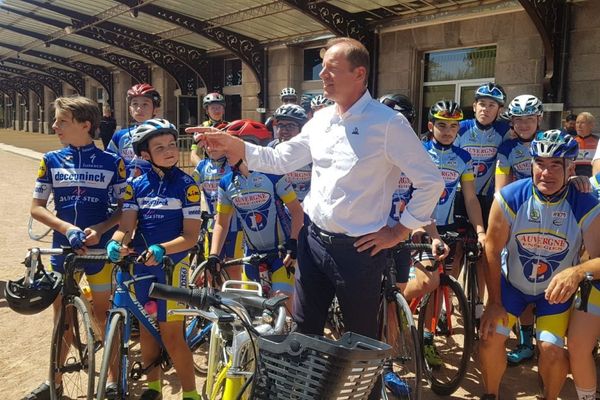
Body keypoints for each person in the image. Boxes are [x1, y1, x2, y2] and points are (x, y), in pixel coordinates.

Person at [191, 37, 443, 348]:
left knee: (359, 343)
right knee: (304, 333)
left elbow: (431, 181)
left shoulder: (388, 123)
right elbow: (281, 159)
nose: (322, 75)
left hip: (359, 252)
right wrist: (237, 146)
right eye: (322, 68)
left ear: (359, 74)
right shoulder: (321, 119)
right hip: (312, 242)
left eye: (332, 69)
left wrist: (399, 231)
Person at [479, 130, 600, 400]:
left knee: (554, 352)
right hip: (512, 288)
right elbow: (491, 248)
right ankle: (490, 395)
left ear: (571, 167)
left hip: (553, 295)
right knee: (489, 337)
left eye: (556, 164)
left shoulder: (585, 202)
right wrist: (493, 302)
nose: (546, 172)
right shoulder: (510, 197)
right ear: (531, 164)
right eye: (540, 164)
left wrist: (578, 271)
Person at [25, 96, 127, 400]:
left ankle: (111, 380)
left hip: (99, 250)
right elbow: (36, 208)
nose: (54, 126)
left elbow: (124, 210)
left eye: (62, 121)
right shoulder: (51, 160)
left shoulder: (113, 162)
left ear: (86, 125)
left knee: (103, 315)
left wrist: (101, 230)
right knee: (63, 320)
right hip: (64, 249)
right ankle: (53, 379)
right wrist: (67, 229)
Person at [106, 119, 201, 400]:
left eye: (172, 145)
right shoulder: (135, 186)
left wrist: (162, 248)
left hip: (173, 266)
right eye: (160, 147)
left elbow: (191, 237)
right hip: (141, 265)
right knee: (147, 330)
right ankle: (154, 388)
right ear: (144, 154)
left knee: (172, 335)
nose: (169, 151)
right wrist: (115, 243)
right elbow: (125, 228)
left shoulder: (187, 185)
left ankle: (191, 394)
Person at [406, 100, 484, 367]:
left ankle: (426, 333)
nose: (448, 131)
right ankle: (399, 312)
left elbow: (471, 199)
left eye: (454, 126)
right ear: (431, 126)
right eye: (442, 125)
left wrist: (481, 231)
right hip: (418, 223)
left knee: (442, 284)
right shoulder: (417, 152)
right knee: (428, 281)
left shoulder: (464, 158)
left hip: (447, 227)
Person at [207, 121, 305, 307]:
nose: (226, 152)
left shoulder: (274, 175)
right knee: (254, 312)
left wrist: (293, 242)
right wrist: (213, 255)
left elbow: (296, 211)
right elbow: (221, 223)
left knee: (282, 307)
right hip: (251, 255)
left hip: (281, 253)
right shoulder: (226, 183)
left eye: (230, 147)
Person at [495, 94, 544, 365]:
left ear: (539, 119)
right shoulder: (507, 148)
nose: (523, 124)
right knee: (522, 278)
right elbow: (501, 189)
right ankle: (526, 343)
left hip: (553, 217)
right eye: (518, 119)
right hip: (521, 219)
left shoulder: (551, 140)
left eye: (529, 119)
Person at [107, 83, 161, 179]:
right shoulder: (119, 136)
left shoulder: (162, 134)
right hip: (124, 188)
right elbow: (109, 162)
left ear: (156, 110)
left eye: (145, 104)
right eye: (135, 104)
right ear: (130, 110)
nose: (139, 109)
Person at [189, 92, 228, 167]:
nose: (216, 111)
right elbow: (194, 154)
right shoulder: (201, 128)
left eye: (219, 107)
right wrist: (201, 170)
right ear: (207, 111)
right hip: (210, 167)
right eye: (213, 108)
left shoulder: (230, 126)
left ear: (223, 110)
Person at [573, 112, 598, 177]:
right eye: (577, 122)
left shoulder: (598, 141)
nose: (579, 126)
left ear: (591, 125)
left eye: (582, 123)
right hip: (575, 177)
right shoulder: (571, 141)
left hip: (593, 177)